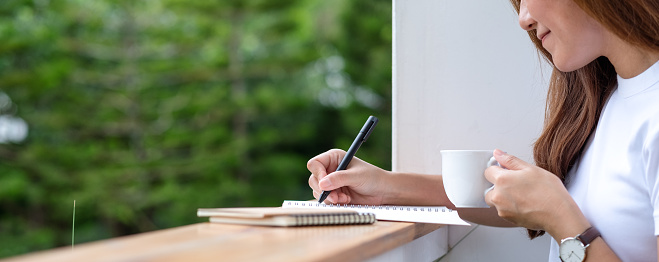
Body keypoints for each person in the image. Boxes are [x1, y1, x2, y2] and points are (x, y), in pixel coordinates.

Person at [307, 0, 659, 261]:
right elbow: (523, 203)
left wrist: (562, 221)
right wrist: (385, 187)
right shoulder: (608, 96)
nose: (523, 20)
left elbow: (559, 212)